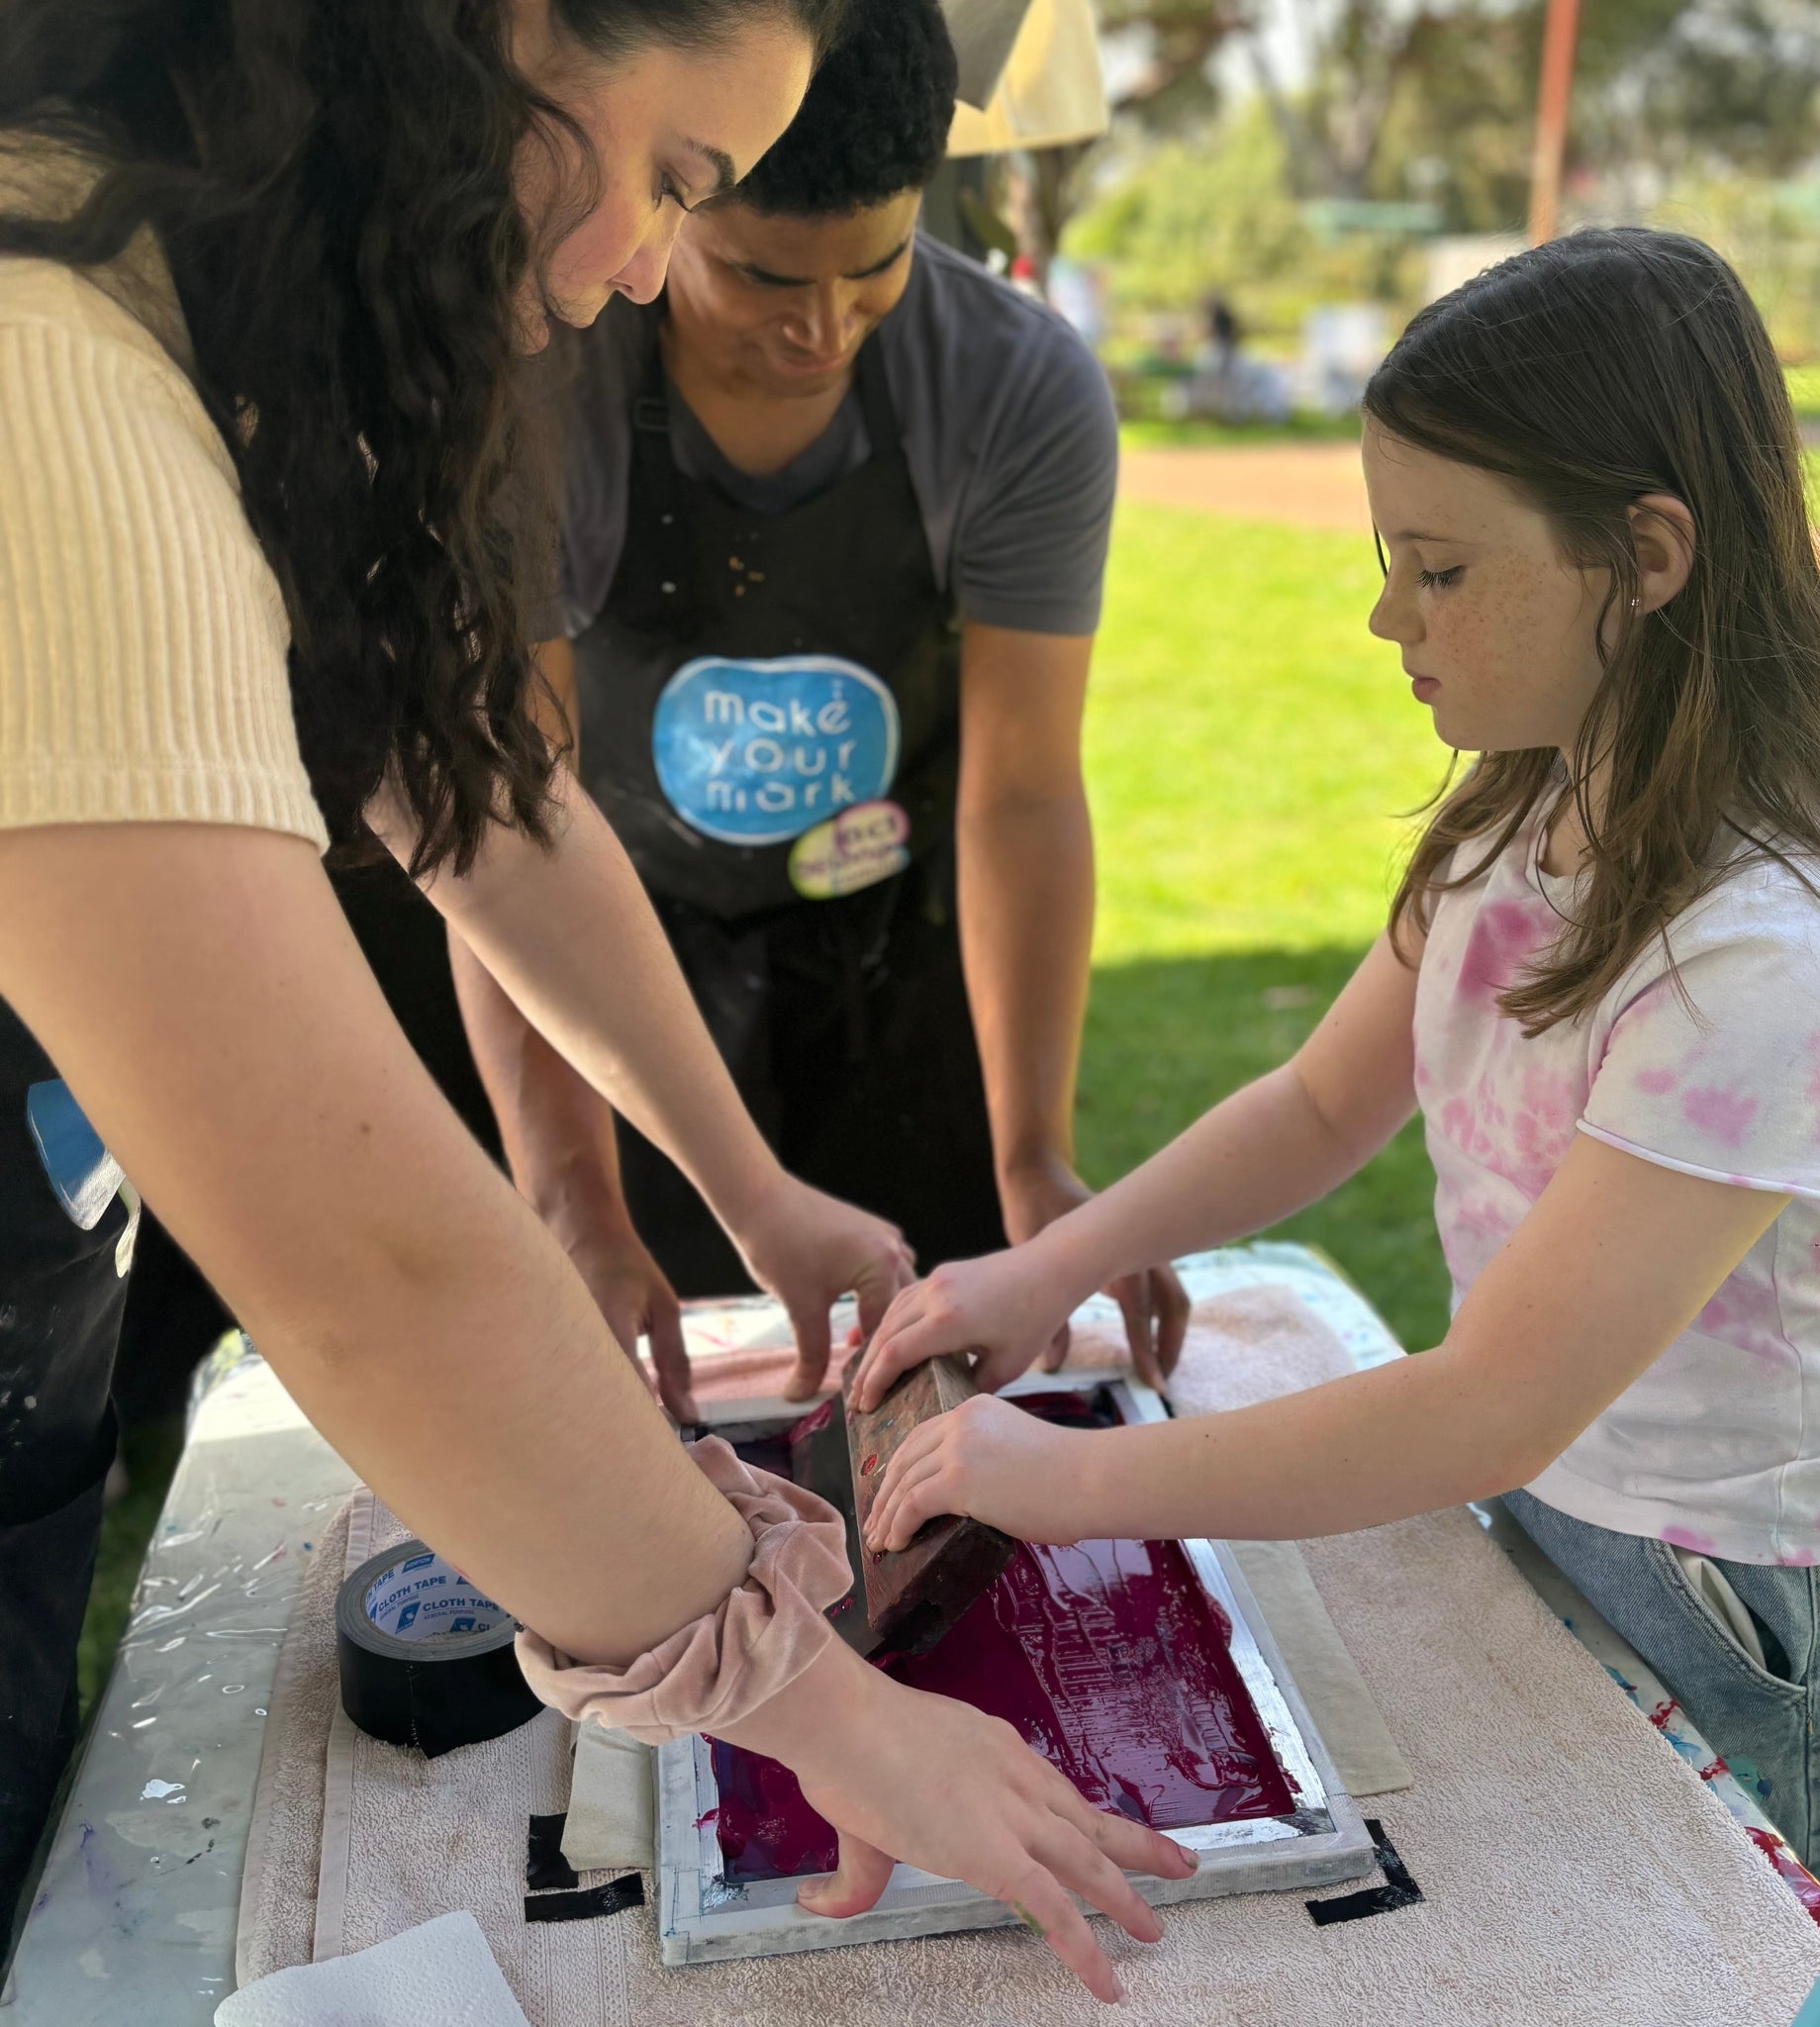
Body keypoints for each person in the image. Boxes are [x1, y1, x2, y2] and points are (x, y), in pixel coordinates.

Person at [0, 0, 1192, 1992]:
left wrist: (750, 1194)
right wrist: (816, 1698)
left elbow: (480, 789)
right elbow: (365, 1253)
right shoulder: (48, 383)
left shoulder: (208, 311)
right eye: (675, 181)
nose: (642, 265)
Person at [847, 229, 1820, 1912]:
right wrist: (1051, 1265)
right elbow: (1322, 1102)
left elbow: (1491, 1402)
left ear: (1650, 553)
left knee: (1717, 1950)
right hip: (1563, 1493)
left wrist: (1073, 1482)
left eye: (1441, 569)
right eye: (1389, 556)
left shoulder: (1783, 953)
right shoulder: (1527, 804)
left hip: (1751, 1593)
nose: (1388, 615)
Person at [448, 0, 1189, 1410]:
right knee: (659, 1399)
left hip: (896, 960)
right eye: (766, 279)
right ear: (678, 213)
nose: (822, 329)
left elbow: (1024, 794)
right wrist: (572, 1203)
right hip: (618, 959)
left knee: (942, 1415)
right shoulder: (542, 389)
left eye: (876, 270)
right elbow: (508, 821)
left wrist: (1033, 1155)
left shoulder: (1018, 392)